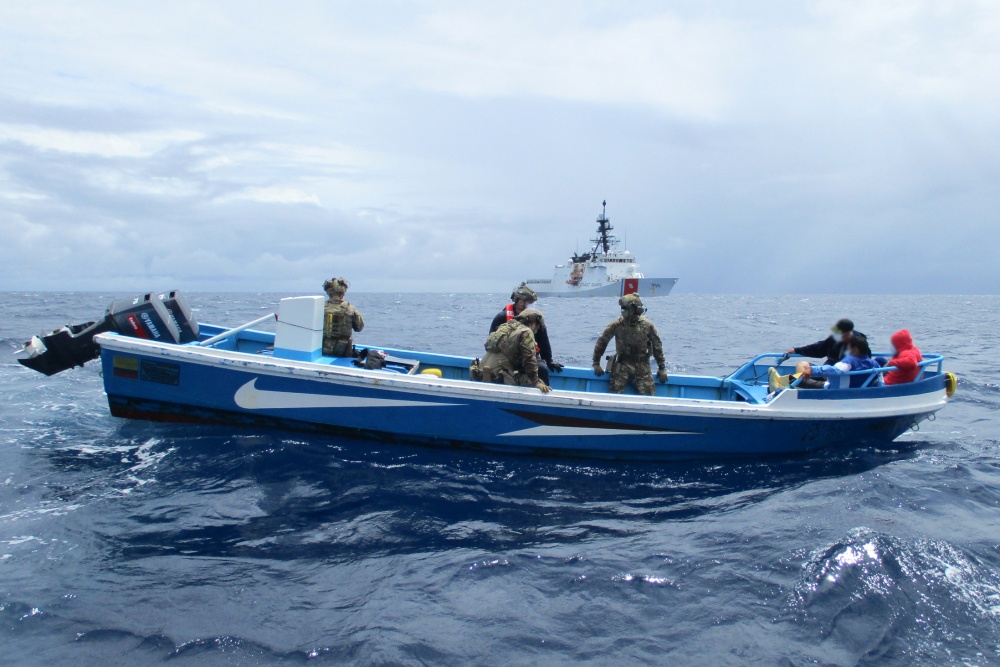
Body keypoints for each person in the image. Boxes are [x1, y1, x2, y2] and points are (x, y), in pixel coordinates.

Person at [592, 294, 668, 395]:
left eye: (626, 308)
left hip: (642, 366)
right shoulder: (616, 325)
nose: (623, 311)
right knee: (614, 396)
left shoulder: (647, 326)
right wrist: (596, 363)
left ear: (636, 309)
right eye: (622, 308)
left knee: (649, 397)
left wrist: (662, 368)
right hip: (622, 365)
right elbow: (602, 342)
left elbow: (657, 346)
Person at [490, 282, 563, 384]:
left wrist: (549, 360)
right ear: (520, 302)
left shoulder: (535, 319)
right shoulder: (502, 318)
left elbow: (543, 341)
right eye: (529, 302)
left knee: (542, 369)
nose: (532, 306)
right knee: (498, 373)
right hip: (507, 358)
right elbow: (492, 340)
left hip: (528, 357)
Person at [770, 334, 881, 392]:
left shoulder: (850, 360)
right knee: (802, 371)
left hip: (831, 389)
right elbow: (879, 379)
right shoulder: (873, 363)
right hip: (853, 389)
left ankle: (778, 384)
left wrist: (813, 370)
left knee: (800, 381)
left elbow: (837, 370)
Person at [478, 308, 551, 393]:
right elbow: (529, 361)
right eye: (538, 326)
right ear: (534, 322)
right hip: (496, 377)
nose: (537, 329)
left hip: (480, 372)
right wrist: (536, 382)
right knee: (538, 381)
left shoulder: (505, 326)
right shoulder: (526, 332)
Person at [786, 318, 866, 366]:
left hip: (843, 373)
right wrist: (797, 350)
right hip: (831, 370)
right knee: (803, 365)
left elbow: (858, 362)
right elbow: (819, 348)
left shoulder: (859, 342)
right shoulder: (835, 338)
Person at [322, 277, 364, 357]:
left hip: (322, 350)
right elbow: (359, 328)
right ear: (342, 294)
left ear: (328, 293)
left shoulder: (319, 307)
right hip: (343, 352)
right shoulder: (350, 309)